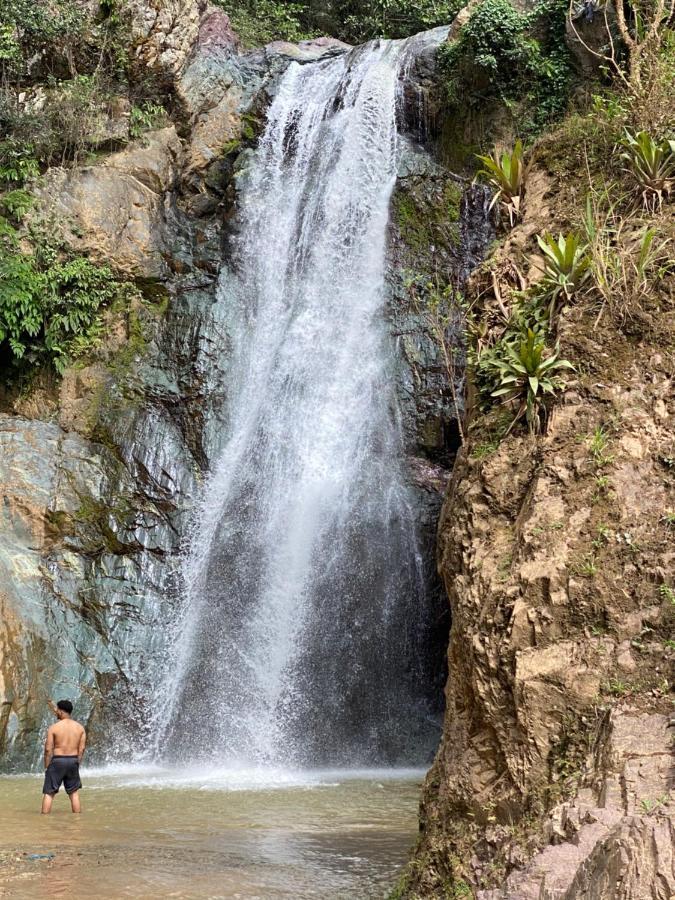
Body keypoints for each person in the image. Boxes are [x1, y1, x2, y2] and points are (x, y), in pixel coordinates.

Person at [41, 699, 86, 814]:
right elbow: (81, 749)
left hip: (58, 761)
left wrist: (47, 767)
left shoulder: (54, 728)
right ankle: (77, 820)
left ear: (61, 711)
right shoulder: (80, 728)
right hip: (73, 760)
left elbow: (48, 749)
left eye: (57, 710)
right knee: (74, 793)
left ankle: (44, 821)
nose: (55, 712)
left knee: (49, 793)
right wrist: (77, 763)